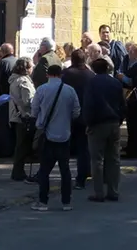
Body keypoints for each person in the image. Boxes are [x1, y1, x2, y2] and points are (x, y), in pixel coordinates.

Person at [31, 65, 81, 211]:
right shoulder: (69, 90)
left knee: (45, 170)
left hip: (47, 134)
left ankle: (43, 202)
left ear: (48, 74)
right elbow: (76, 111)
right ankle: (66, 202)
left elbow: (34, 111)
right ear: (61, 74)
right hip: (65, 134)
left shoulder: (41, 90)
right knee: (65, 170)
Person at [83, 58, 125, 202]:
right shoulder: (116, 83)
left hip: (97, 123)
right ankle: (113, 191)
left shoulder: (92, 83)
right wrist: (119, 120)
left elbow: (88, 104)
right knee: (114, 158)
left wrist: (88, 123)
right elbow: (122, 103)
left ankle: (98, 192)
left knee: (97, 160)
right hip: (113, 122)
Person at [61, 50, 96, 189]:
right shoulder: (91, 75)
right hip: (85, 115)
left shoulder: (66, 74)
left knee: (63, 147)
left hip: (67, 115)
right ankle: (82, 176)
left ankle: (65, 177)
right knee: (84, 148)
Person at [8, 57, 36, 182]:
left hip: (16, 115)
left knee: (20, 145)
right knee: (22, 145)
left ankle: (17, 171)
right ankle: (18, 172)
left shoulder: (14, 80)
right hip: (24, 116)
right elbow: (28, 101)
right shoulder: (24, 81)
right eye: (31, 67)